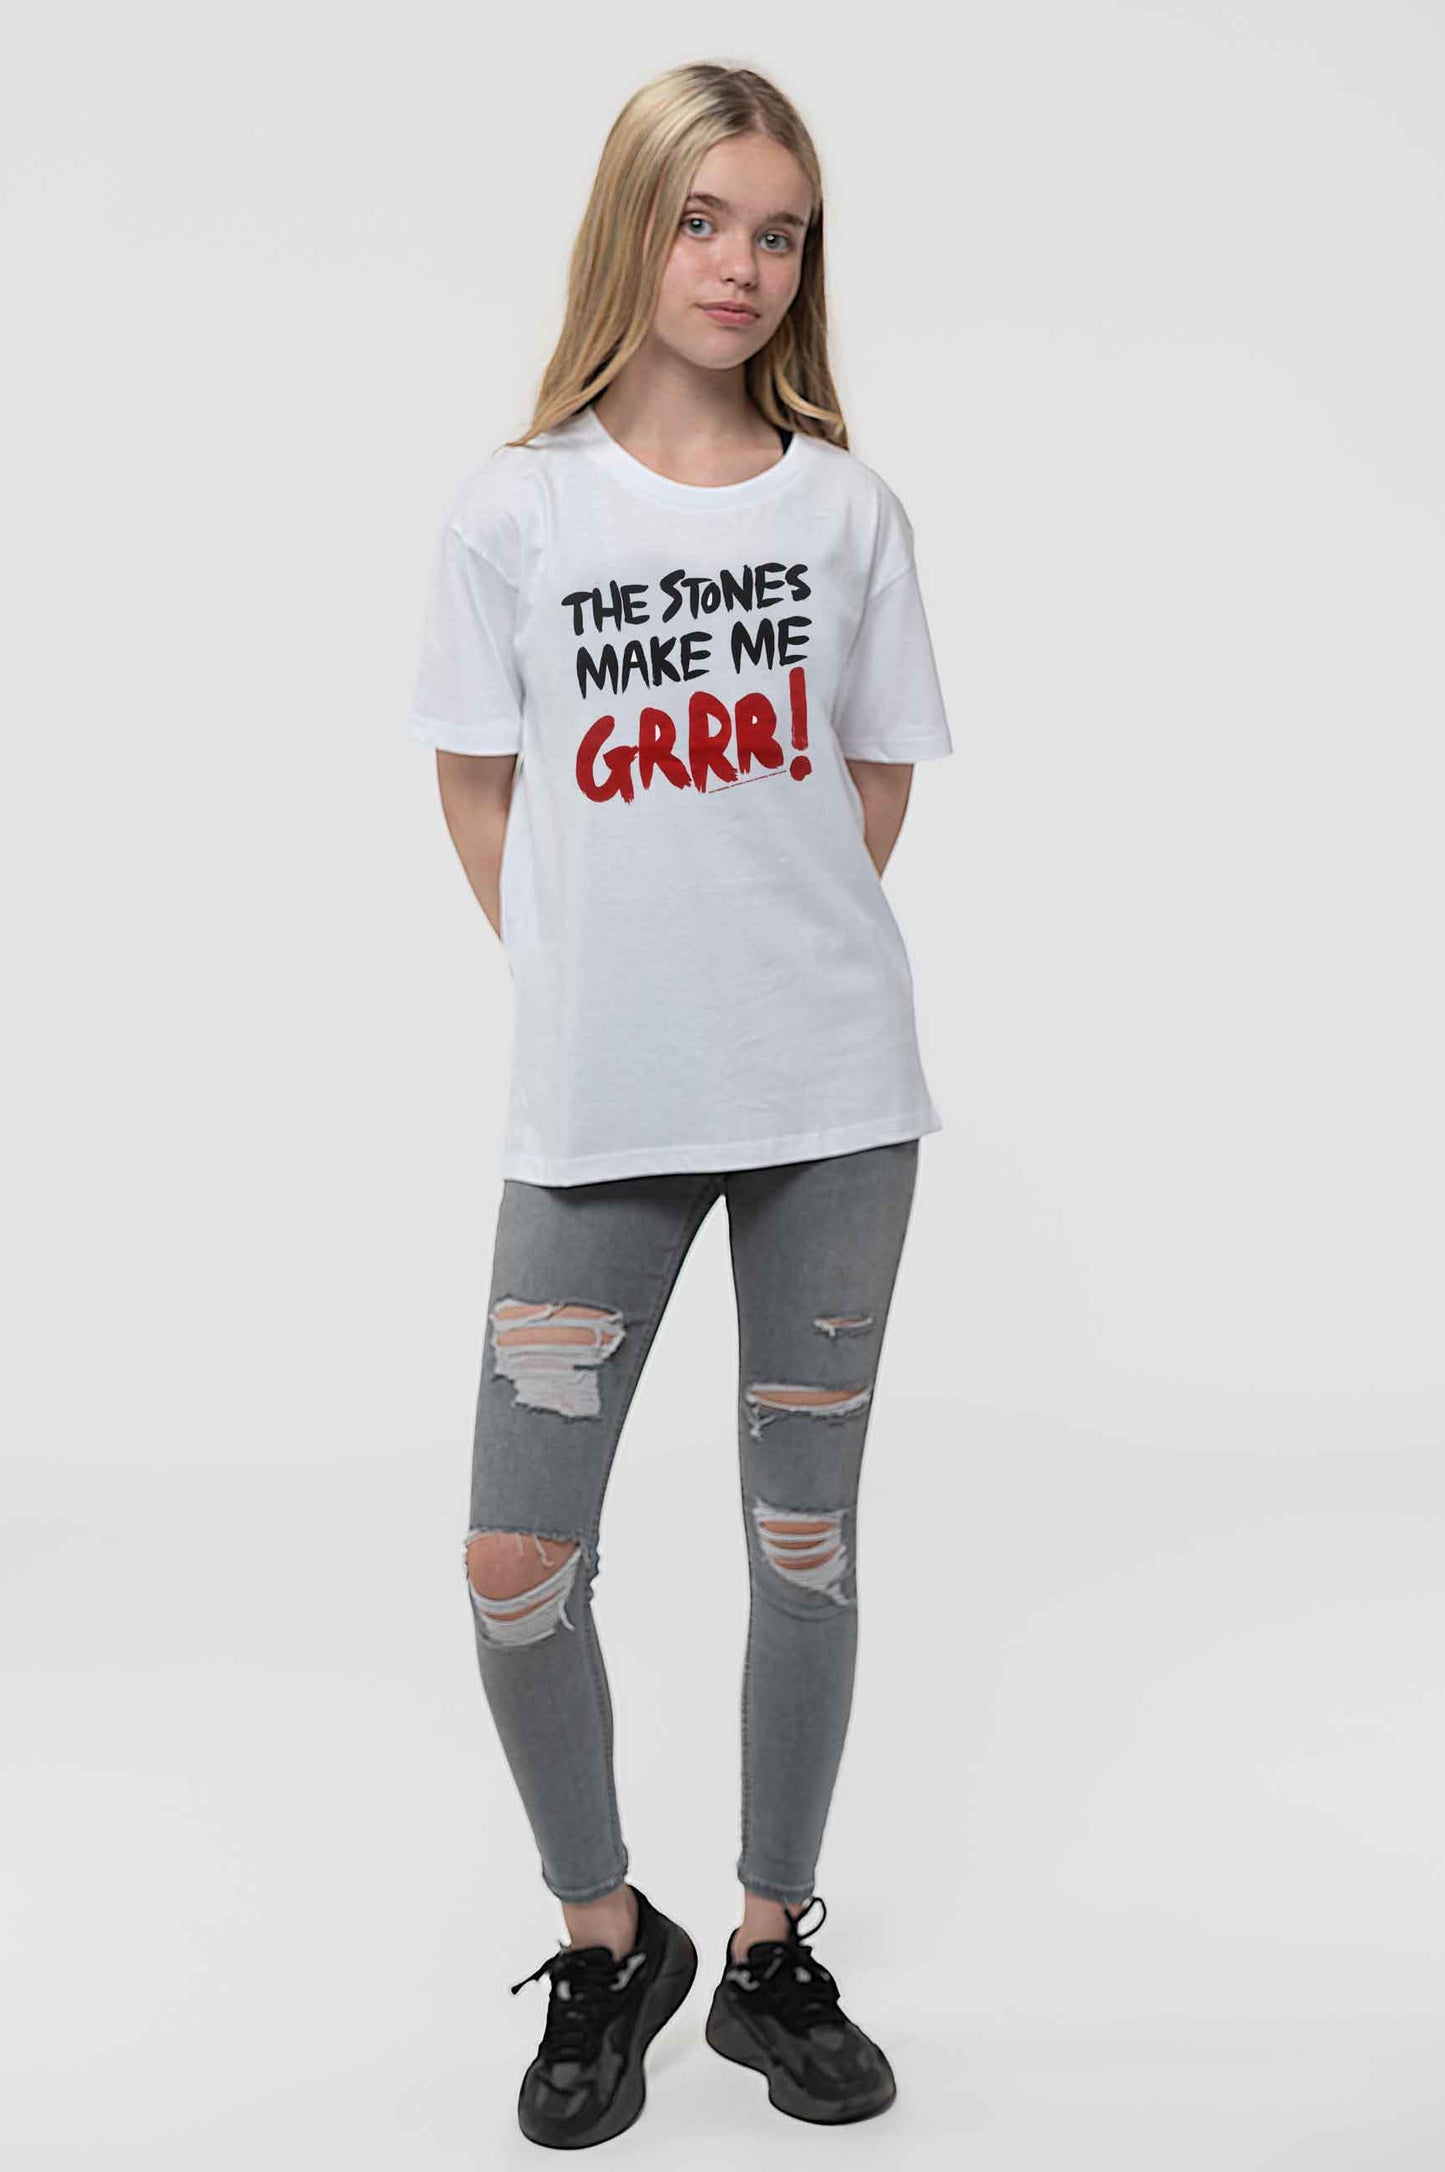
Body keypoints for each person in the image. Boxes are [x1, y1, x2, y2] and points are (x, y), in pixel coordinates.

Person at [404, 59, 953, 2149]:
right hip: (596, 1108)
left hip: (833, 1099)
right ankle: (605, 1935)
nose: (741, 266)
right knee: (514, 1559)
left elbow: (868, 783)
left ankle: (769, 1947)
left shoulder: (846, 512)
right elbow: (478, 784)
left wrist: (757, 968)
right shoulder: (513, 511)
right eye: (704, 218)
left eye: (779, 231)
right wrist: (603, 984)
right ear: (631, 228)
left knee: (801, 1544)